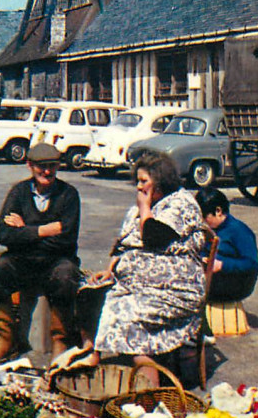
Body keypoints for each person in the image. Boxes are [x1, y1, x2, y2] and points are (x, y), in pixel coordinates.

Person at [87, 150, 206, 385]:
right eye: (137, 181)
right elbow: (124, 244)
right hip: (140, 284)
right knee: (89, 294)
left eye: (144, 181)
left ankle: (148, 388)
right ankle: (99, 361)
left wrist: (144, 208)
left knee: (127, 314)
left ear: (160, 181)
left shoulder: (181, 203)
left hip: (175, 290)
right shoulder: (146, 205)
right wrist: (111, 269)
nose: (139, 187)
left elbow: (153, 237)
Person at [0, 142, 81, 366]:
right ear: (29, 165)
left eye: (52, 166)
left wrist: (24, 230)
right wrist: (45, 230)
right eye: (41, 166)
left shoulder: (69, 194)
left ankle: (60, 340)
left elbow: (66, 240)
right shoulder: (19, 192)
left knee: (66, 276)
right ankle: (7, 338)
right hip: (22, 261)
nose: (47, 172)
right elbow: (4, 236)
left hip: (56, 261)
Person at [195, 188, 258, 303]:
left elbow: (251, 264)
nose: (203, 222)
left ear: (218, 211)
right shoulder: (210, 229)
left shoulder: (239, 231)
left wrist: (222, 265)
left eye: (205, 218)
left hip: (234, 282)